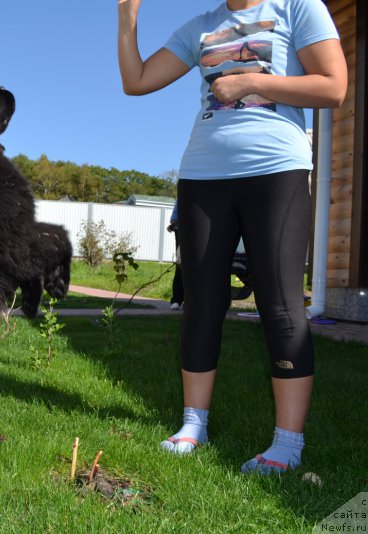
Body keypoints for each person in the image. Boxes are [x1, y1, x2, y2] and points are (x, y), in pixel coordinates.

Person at [117, 0, 346, 474]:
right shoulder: (200, 27)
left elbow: (333, 86)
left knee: (281, 303)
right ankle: (192, 425)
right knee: (202, 300)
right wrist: (127, 17)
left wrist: (252, 81)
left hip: (276, 170)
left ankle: (286, 444)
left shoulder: (298, 8)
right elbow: (136, 82)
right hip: (203, 174)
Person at [167, 200, 183, 310]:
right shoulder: (184, 192)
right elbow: (178, 206)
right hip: (181, 229)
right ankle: (177, 299)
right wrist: (173, 222)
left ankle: (190, 299)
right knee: (180, 264)